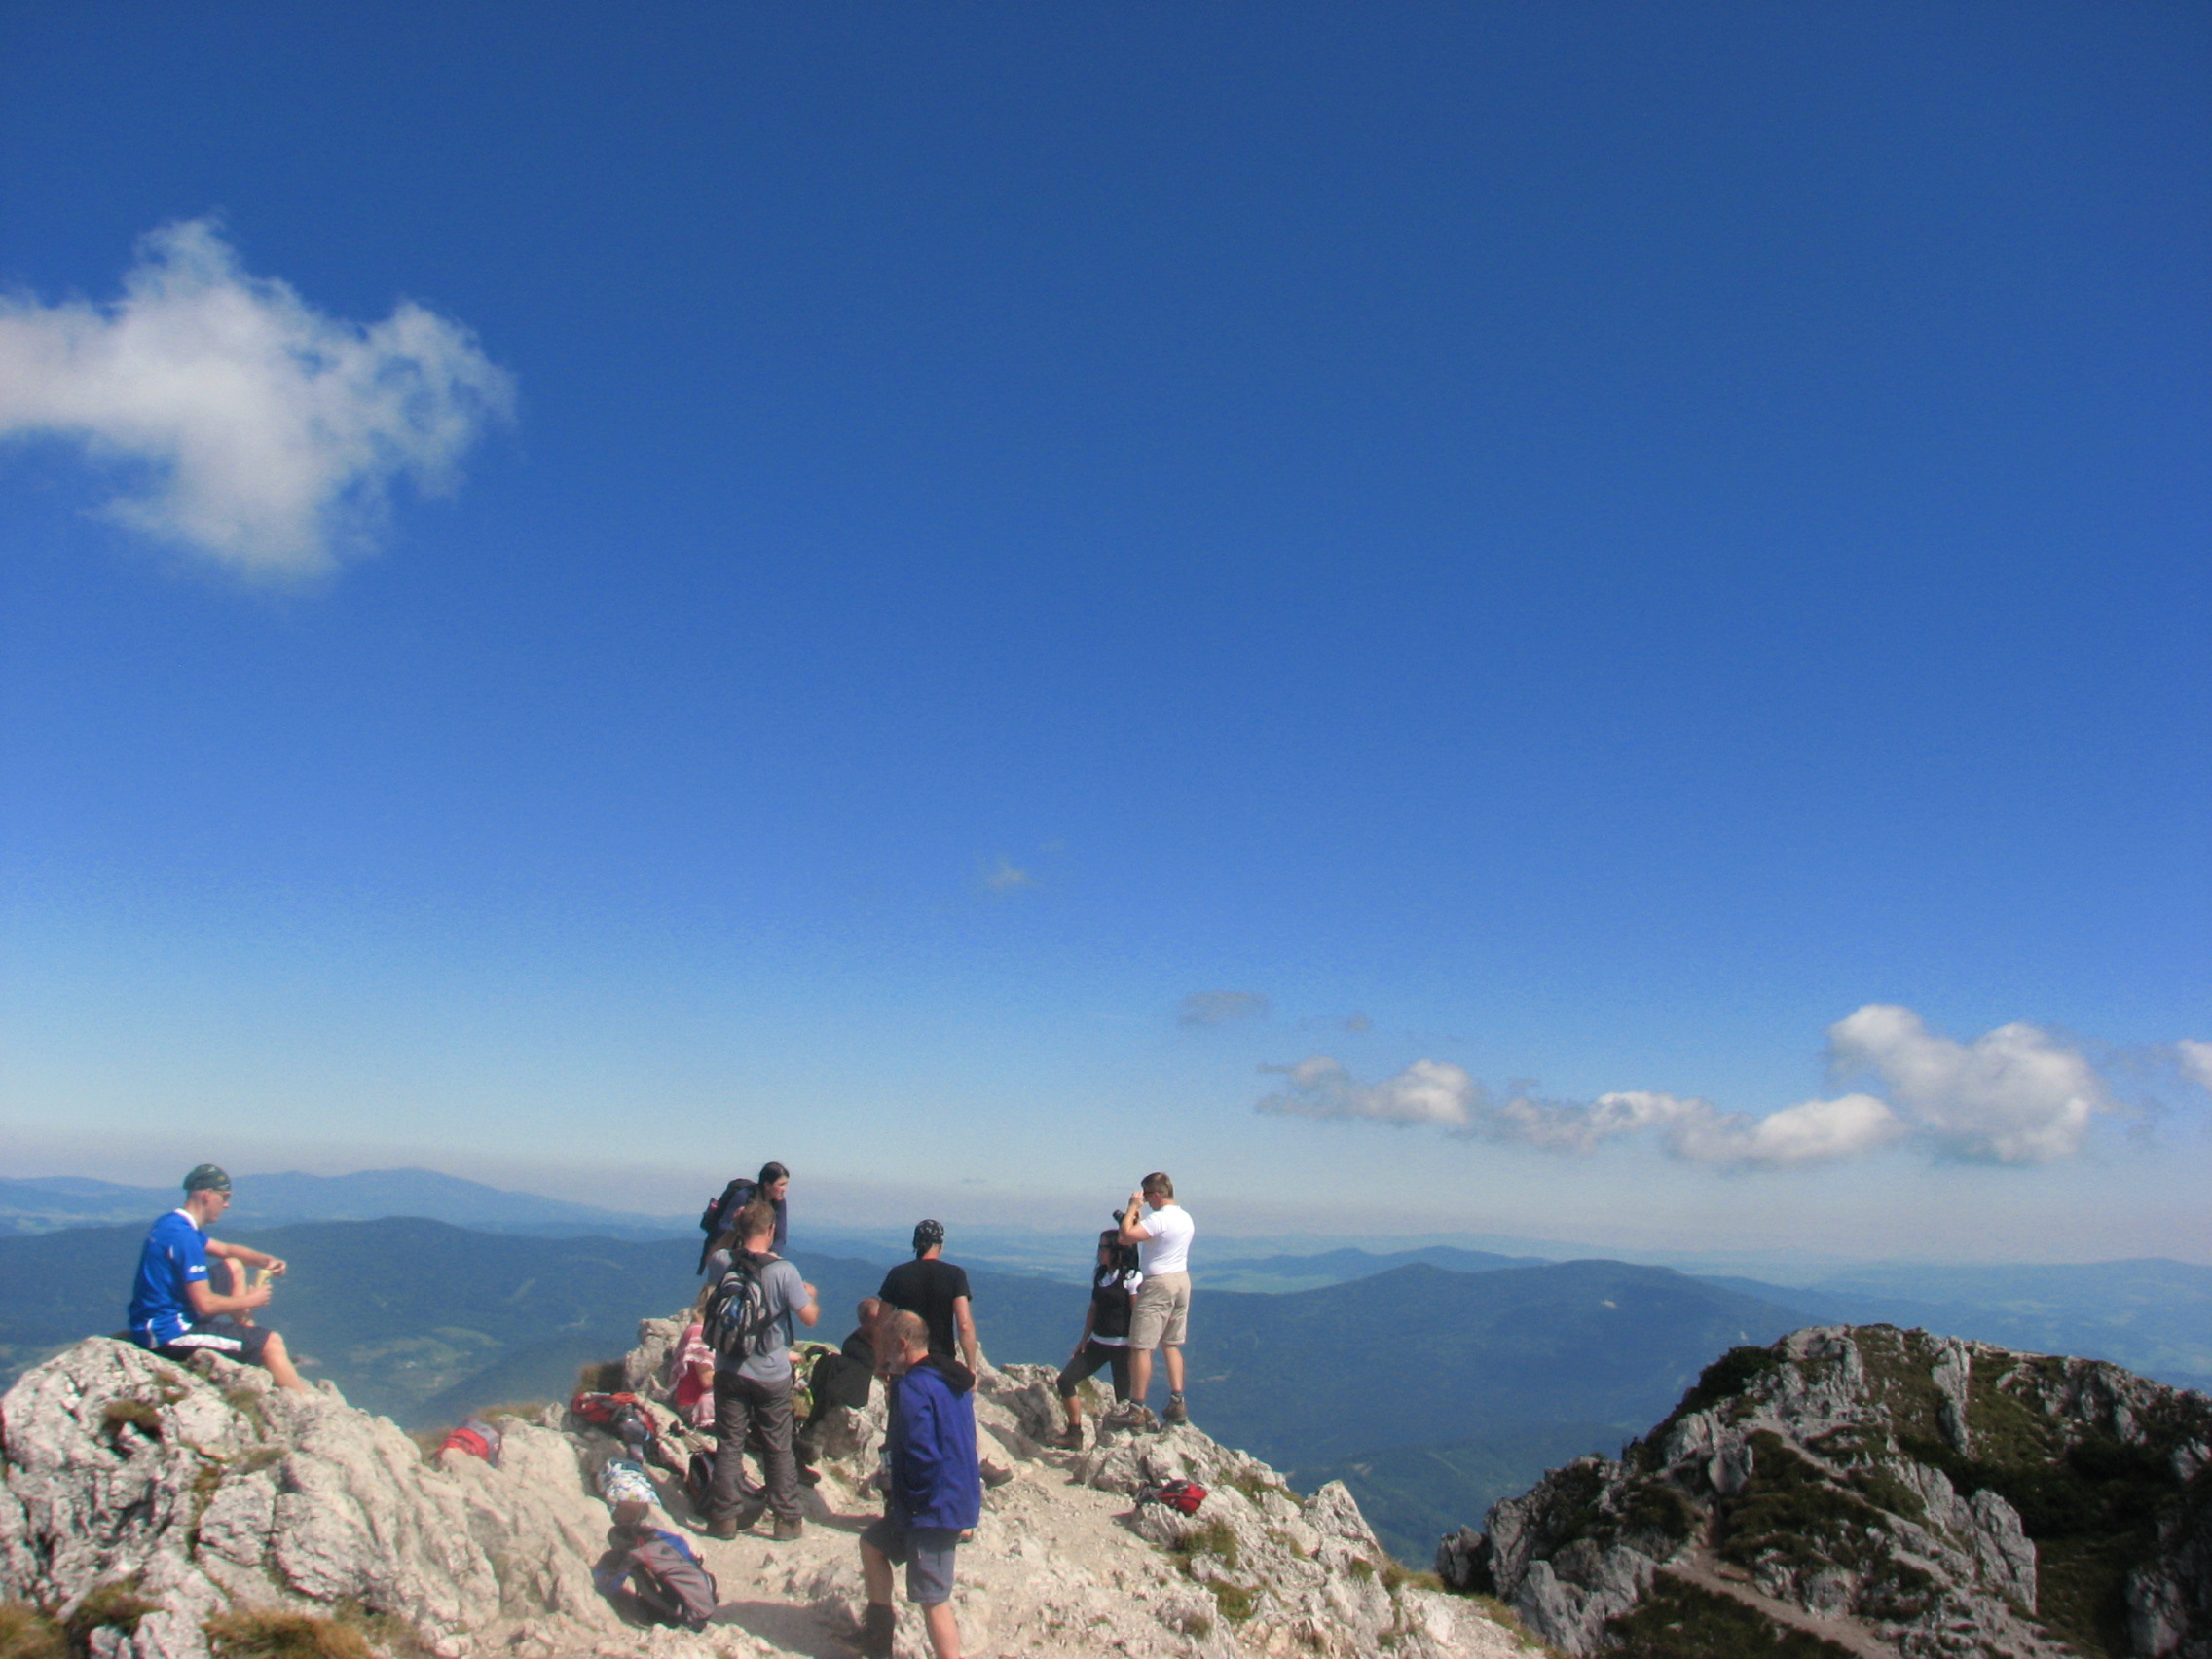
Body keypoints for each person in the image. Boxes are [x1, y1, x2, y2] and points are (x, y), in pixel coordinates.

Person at [857, 1310, 979, 1659]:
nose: (882, 1356)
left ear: (902, 1344)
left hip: (931, 1505)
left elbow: (919, 1451)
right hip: (949, 1495)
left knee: (932, 1598)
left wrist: (910, 1499)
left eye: (885, 1347)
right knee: (873, 1545)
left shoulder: (914, 1387)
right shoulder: (951, 1379)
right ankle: (877, 1643)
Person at [126, 1165, 309, 1392]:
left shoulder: (172, 1224)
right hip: (170, 1334)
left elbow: (226, 1250)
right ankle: (303, 1402)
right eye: (224, 1197)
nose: (226, 1205)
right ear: (207, 1195)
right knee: (272, 1341)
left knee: (234, 1267)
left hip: (156, 1321)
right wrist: (252, 1300)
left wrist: (265, 1260)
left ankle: (251, 1341)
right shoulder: (185, 1238)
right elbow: (206, 1304)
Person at [703, 1198, 818, 1541]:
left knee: (729, 1442)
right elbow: (809, 1318)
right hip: (770, 1372)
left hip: (729, 1368)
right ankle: (786, 1520)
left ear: (740, 1228)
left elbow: (716, 1255)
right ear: (771, 1230)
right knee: (778, 1445)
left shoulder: (723, 1261)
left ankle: (724, 1518)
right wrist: (810, 1294)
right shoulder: (784, 1271)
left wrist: (732, 1229)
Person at [1116, 1172, 1195, 1427]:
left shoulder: (1160, 1219)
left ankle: (1136, 1408)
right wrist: (1139, 1221)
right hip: (1182, 1281)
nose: (1146, 1201)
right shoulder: (1185, 1218)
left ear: (1158, 1194)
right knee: (1171, 1343)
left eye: (1148, 1196)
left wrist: (1132, 1208)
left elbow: (1124, 1237)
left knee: (1141, 1347)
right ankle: (1177, 1401)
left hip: (1158, 1283)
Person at [1053, 1230, 1142, 1449]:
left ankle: (1126, 1445)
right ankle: (1074, 1433)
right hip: (1098, 1343)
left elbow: (1137, 1312)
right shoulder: (1101, 1275)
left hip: (1123, 1346)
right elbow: (1093, 1309)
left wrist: (1138, 1347)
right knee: (1065, 1380)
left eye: (1104, 1247)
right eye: (1100, 1247)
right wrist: (1084, 1339)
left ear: (1116, 1251)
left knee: (1124, 1399)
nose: (1100, 1251)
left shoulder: (1131, 1277)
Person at [876, 1221, 979, 1374]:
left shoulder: (897, 1274)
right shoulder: (955, 1275)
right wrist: (971, 1368)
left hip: (906, 1361)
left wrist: (881, 1362)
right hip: (942, 1361)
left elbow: (882, 1324)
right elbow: (964, 1325)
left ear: (915, 1244)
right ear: (940, 1245)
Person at [794, 1297, 883, 1471]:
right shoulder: (855, 1345)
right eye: (874, 1321)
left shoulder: (889, 1338)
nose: (880, 1325)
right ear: (864, 1322)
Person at [698, 1161, 790, 1273]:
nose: (785, 1189)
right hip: (730, 1249)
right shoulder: (743, 1196)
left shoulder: (779, 1203)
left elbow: (780, 1237)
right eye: (781, 1185)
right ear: (767, 1185)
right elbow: (723, 1226)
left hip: (757, 1252)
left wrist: (772, 1253)